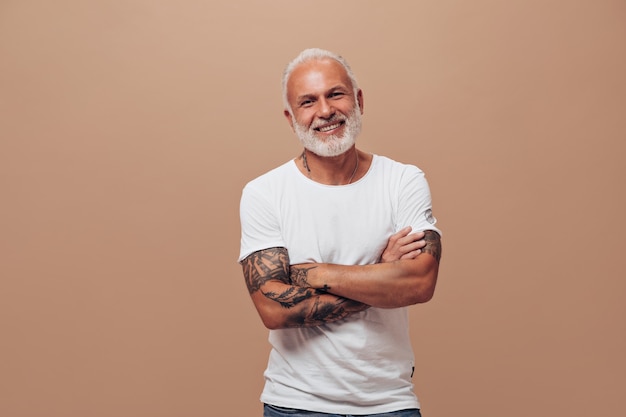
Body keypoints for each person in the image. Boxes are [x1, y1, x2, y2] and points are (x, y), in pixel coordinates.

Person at [238, 48, 442, 417]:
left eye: (336, 94)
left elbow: (419, 284)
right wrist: (381, 273)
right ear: (291, 117)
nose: (325, 111)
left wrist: (318, 273)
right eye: (308, 101)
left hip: (389, 403)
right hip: (295, 404)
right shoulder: (264, 193)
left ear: (358, 100)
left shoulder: (403, 181)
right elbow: (273, 308)